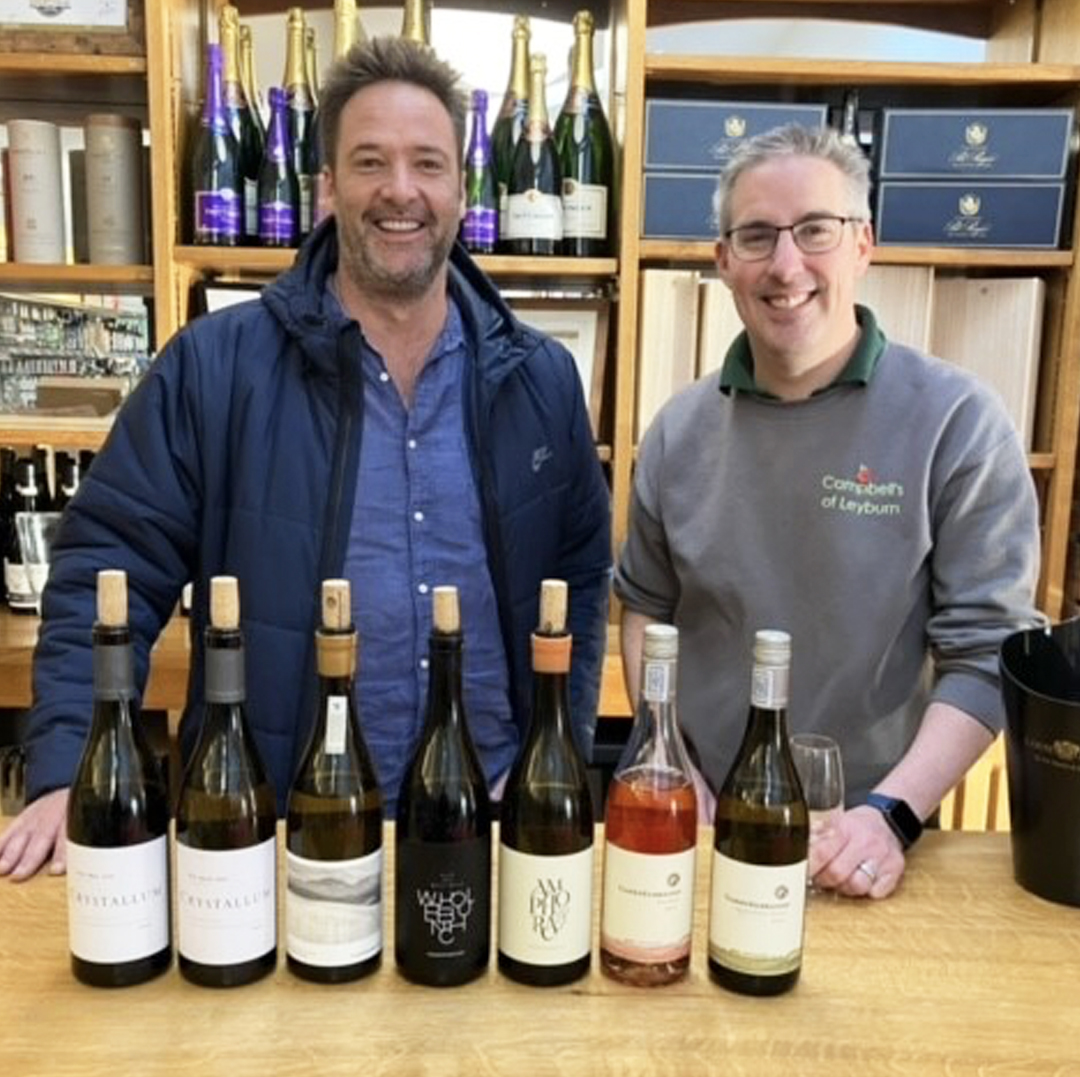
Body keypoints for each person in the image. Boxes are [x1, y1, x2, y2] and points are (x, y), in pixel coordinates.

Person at [0, 37, 611, 881]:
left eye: (428, 163)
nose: (401, 190)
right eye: (370, 162)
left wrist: (557, 752)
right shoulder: (214, 368)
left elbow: (580, 585)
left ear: (462, 190)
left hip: (494, 830)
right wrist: (71, 768)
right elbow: (110, 567)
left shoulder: (541, 380)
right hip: (278, 835)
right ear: (326, 188)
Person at [614, 123, 1041, 900]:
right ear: (723, 260)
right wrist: (671, 764)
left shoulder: (958, 423)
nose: (786, 266)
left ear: (862, 244)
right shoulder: (677, 432)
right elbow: (647, 610)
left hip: (874, 844)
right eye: (756, 236)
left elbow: (988, 654)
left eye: (815, 229)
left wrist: (890, 815)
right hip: (707, 833)